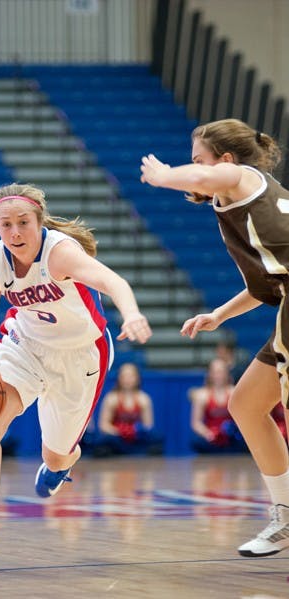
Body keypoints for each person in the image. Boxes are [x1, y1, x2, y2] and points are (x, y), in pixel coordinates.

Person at [0, 182, 152, 573]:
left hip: (80, 356)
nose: (15, 232)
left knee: (55, 453)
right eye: (6, 225)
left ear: (39, 222)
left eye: (23, 222)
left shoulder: (61, 253)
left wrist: (132, 313)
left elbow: (113, 281)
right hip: (24, 345)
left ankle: (59, 464)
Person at [140, 117, 289, 558]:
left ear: (224, 160)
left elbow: (207, 177)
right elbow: (266, 286)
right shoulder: (233, 208)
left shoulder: (242, 178)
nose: (193, 168)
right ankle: (284, 514)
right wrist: (218, 315)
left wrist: (166, 176)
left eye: (197, 158)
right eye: (189, 163)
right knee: (245, 404)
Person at [94, 362, 163, 456]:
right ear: (119, 378)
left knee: (156, 439)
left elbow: (148, 426)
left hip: (136, 438)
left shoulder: (144, 399)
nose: (127, 379)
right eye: (124, 376)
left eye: (131, 376)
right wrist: (120, 431)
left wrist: (134, 431)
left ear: (137, 378)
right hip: (117, 438)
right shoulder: (111, 398)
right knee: (102, 442)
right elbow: (103, 425)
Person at [189, 357, 246, 453]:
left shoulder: (234, 393)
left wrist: (235, 432)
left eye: (221, 372)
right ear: (210, 374)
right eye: (215, 372)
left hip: (231, 438)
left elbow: (243, 418)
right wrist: (208, 434)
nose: (218, 375)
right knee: (196, 442)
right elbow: (196, 423)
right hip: (211, 438)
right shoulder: (202, 395)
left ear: (227, 373)